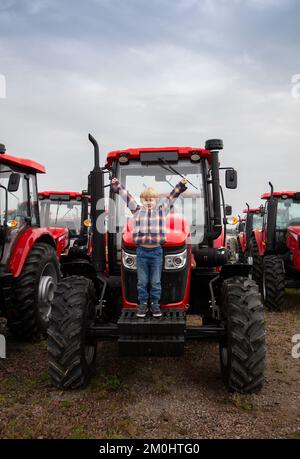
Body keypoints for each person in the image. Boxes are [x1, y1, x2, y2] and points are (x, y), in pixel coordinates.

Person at [111, 176, 188, 317]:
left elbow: (172, 197)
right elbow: (127, 197)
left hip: (156, 252)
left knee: (155, 281)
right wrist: (117, 185)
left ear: (156, 201)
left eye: (151, 199)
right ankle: (142, 305)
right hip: (141, 252)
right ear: (142, 201)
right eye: (145, 200)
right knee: (142, 281)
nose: (148, 202)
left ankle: (155, 305)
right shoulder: (137, 211)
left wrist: (181, 185)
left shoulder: (161, 212)